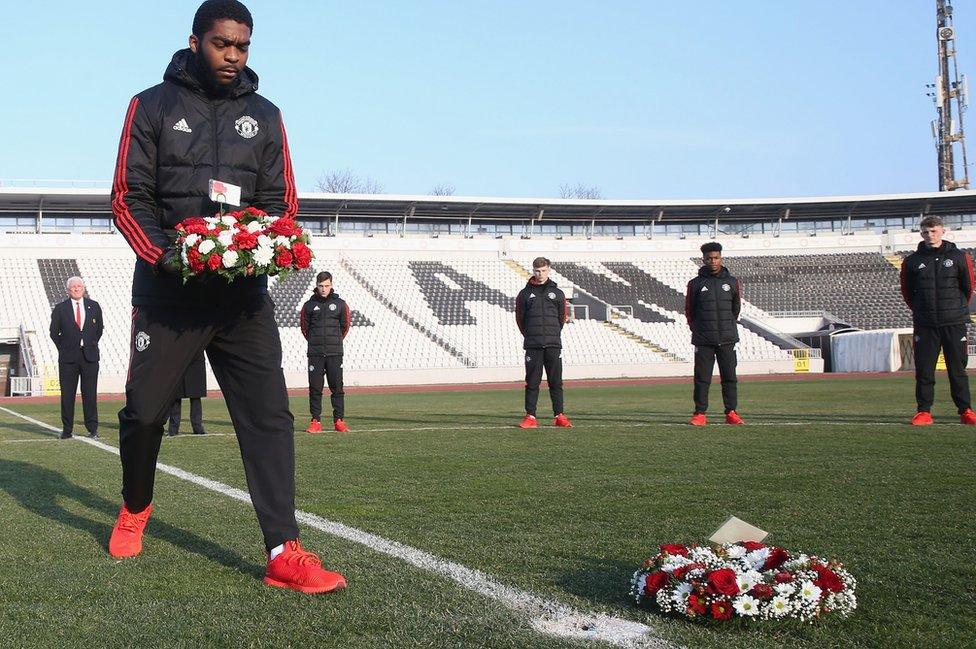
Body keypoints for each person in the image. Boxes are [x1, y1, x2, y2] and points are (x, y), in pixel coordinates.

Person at [109, 0, 345, 593]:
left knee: (268, 417)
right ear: (195, 42)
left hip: (243, 299)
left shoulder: (266, 116)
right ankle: (136, 504)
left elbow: (281, 205)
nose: (233, 56)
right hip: (169, 296)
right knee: (142, 416)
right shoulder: (151, 105)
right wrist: (170, 255)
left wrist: (256, 245)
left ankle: (282, 550)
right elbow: (128, 196)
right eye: (222, 44)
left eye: (243, 46)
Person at [900, 215, 976, 426]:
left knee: (957, 370)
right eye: (925, 231)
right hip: (925, 324)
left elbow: (968, 287)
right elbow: (907, 291)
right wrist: (922, 310)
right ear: (921, 233)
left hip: (954, 321)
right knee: (924, 370)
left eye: (933, 231)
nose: (929, 235)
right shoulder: (912, 260)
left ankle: (966, 411)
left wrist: (954, 309)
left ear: (943, 231)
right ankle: (924, 412)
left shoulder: (960, 257)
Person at [685, 242, 745, 426]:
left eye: (716, 257)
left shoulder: (732, 282)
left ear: (721, 258)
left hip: (727, 338)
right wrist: (698, 329)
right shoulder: (695, 284)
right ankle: (700, 413)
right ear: (703, 260)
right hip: (704, 340)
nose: (713, 261)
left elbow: (736, 309)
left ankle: (731, 412)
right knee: (702, 378)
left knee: (729, 378)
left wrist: (727, 326)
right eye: (709, 258)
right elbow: (689, 311)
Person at [515, 257, 573, 429]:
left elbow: (561, 318)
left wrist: (551, 334)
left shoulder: (558, 294)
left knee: (556, 382)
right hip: (533, 345)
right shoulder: (524, 294)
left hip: (553, 344)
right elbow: (520, 319)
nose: (540, 274)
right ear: (533, 271)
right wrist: (532, 336)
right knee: (532, 382)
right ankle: (530, 416)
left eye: (543, 270)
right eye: (537, 271)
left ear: (549, 270)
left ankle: (559, 416)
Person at [49, 276, 103, 440]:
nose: (76, 289)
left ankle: (92, 429)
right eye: (73, 287)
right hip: (68, 358)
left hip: (89, 357)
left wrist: (90, 344)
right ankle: (67, 430)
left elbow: (99, 329)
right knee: (67, 395)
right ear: (68, 290)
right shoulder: (60, 308)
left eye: (79, 286)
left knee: (90, 394)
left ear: (83, 288)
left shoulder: (94, 306)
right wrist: (64, 348)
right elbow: (53, 332)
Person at [300, 272, 351, 433]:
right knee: (315, 388)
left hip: (335, 352)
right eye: (321, 286)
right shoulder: (308, 305)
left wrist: (334, 341)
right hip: (315, 353)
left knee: (337, 387)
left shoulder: (341, 304)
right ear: (316, 285)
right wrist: (316, 342)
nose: (324, 289)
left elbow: (345, 327)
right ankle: (315, 421)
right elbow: (304, 328)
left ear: (331, 285)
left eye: (326, 286)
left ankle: (339, 420)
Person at [167, 352, 207, 436]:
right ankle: (173, 429)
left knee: (196, 396)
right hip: (177, 361)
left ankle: (197, 427)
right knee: (176, 396)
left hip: (195, 360)